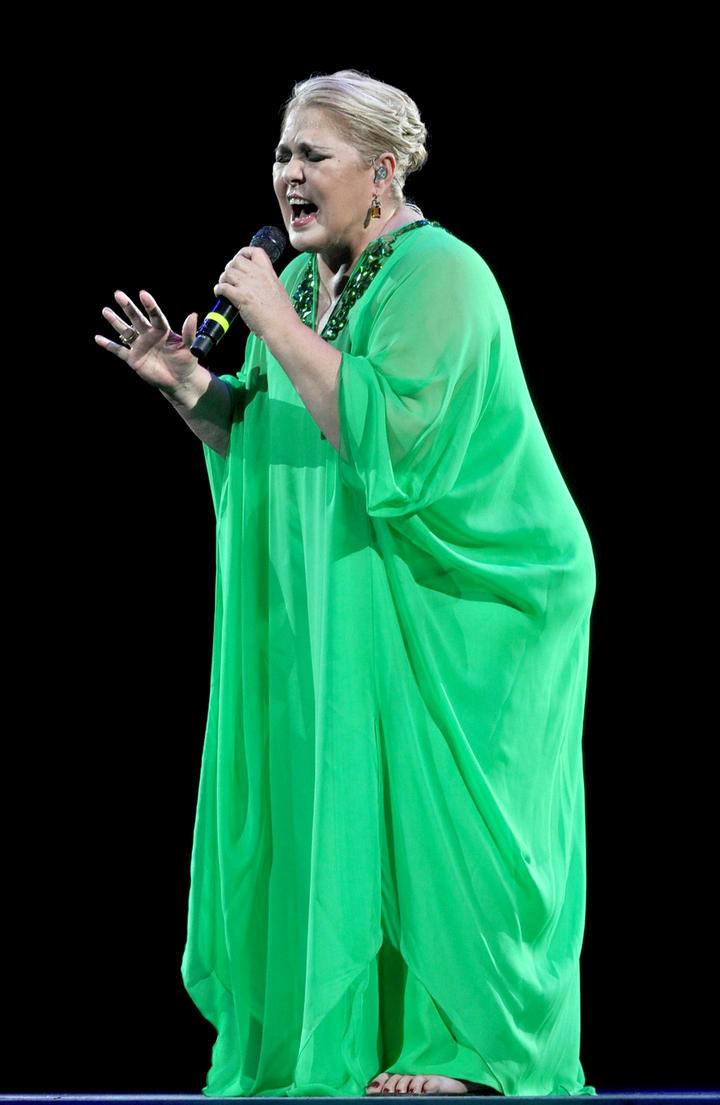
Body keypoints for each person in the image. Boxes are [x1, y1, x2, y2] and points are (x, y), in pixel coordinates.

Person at [96, 70, 595, 1098]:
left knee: (445, 814)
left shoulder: (444, 274)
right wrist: (191, 388)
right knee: (343, 801)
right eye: (282, 153)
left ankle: (471, 1050)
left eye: (312, 154)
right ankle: (357, 1037)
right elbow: (281, 433)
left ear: (382, 171)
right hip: (352, 592)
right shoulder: (305, 286)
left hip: (468, 592)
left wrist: (271, 321)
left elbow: (391, 440)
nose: (288, 174)